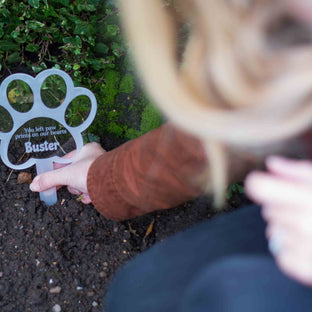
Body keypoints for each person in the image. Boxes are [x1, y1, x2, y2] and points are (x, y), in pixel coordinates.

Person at [30, 0, 312, 310]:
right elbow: (225, 131)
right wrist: (102, 176)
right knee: (141, 294)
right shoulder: (284, 35)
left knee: (234, 294)